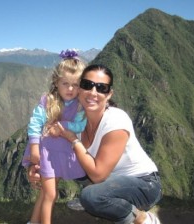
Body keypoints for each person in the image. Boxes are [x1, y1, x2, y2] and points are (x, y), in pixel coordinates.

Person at [28, 64, 162, 224]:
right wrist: (36, 167)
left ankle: (141, 218)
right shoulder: (76, 122)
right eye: (87, 85)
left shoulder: (115, 120)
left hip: (143, 184)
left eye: (101, 88)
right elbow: (54, 152)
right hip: (110, 180)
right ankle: (100, 197)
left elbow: (98, 175)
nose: (93, 92)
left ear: (109, 94)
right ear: (80, 90)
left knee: (90, 197)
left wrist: (73, 140)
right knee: (77, 163)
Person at [22, 49, 87, 224]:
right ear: (56, 82)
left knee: (46, 192)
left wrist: (62, 127)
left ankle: (34, 221)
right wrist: (34, 147)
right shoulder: (48, 101)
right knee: (51, 193)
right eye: (65, 83)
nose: (70, 89)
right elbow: (35, 122)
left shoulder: (80, 106)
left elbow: (80, 125)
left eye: (75, 84)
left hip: (61, 152)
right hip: (46, 152)